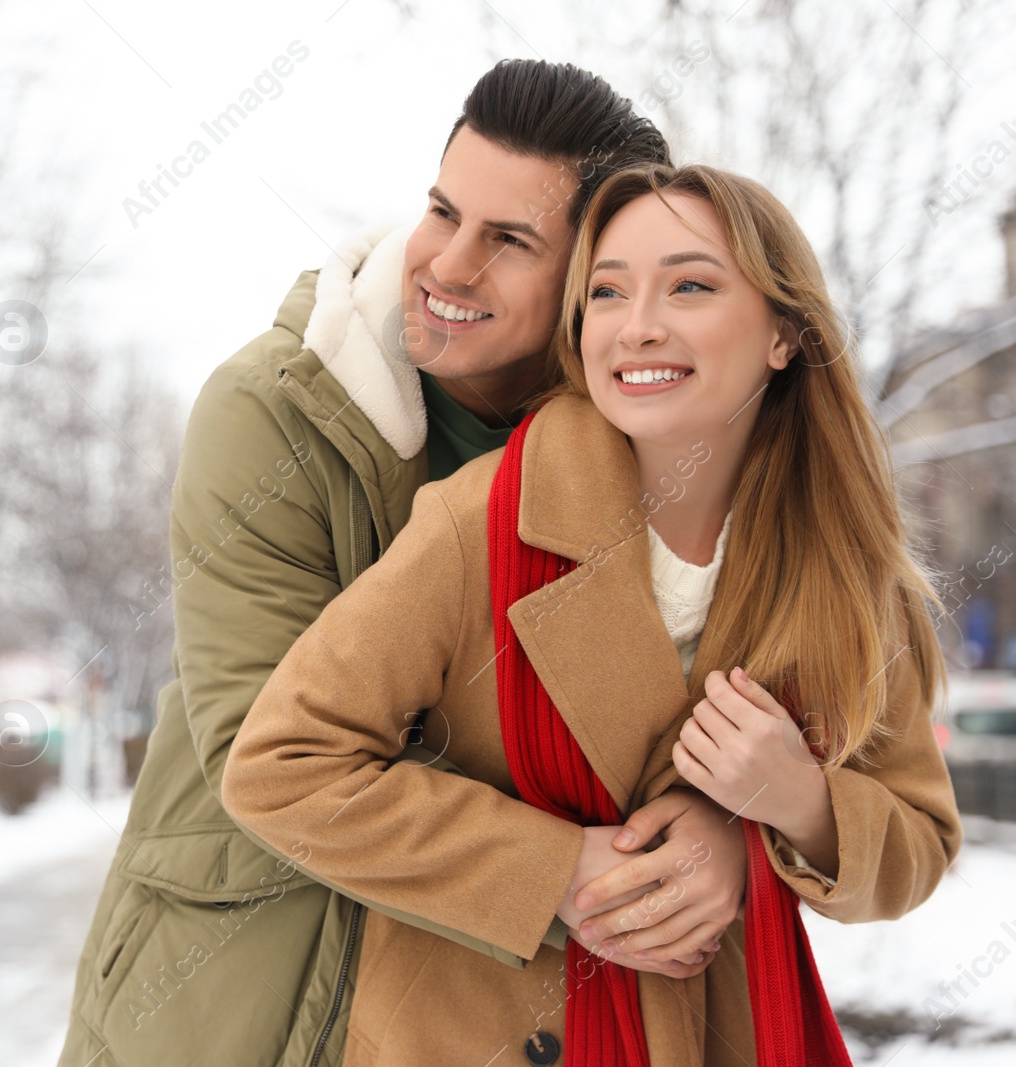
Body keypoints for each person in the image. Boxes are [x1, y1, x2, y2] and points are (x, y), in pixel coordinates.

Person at [57, 61, 751, 1067]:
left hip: (506, 1008)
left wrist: (716, 822)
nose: (448, 266)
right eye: (441, 210)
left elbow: (758, 689)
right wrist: (577, 868)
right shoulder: (274, 412)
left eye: (509, 240)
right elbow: (270, 744)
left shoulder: (655, 438)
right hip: (257, 966)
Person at [221, 162, 963, 1065]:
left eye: (690, 285)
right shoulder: (479, 524)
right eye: (607, 291)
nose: (638, 324)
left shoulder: (846, 570)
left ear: (784, 333)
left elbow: (919, 836)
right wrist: (560, 871)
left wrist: (788, 809)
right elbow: (282, 766)